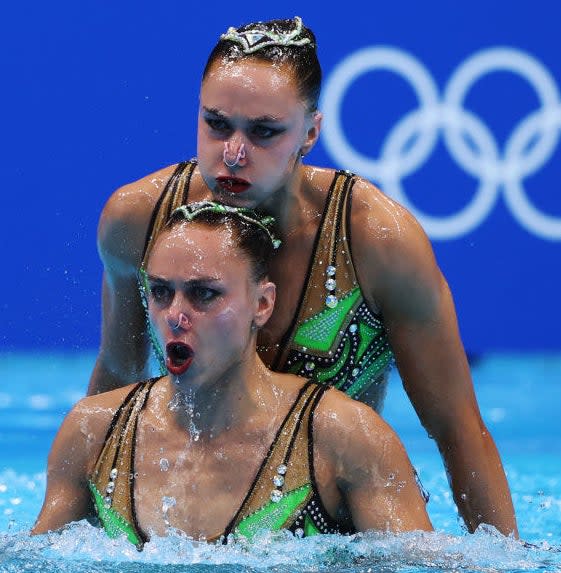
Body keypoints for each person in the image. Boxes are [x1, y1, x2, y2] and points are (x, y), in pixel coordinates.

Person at [88, 16, 518, 537]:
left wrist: (504, 560)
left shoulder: (376, 241)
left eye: (265, 131)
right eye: (216, 124)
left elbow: (456, 427)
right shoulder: (139, 221)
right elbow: (116, 377)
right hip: (191, 530)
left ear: (311, 132)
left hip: (331, 544)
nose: (234, 153)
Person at [33, 203, 433, 547]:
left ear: (261, 304)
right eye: (160, 292)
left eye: (204, 294)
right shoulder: (93, 434)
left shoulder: (343, 438)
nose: (175, 315)